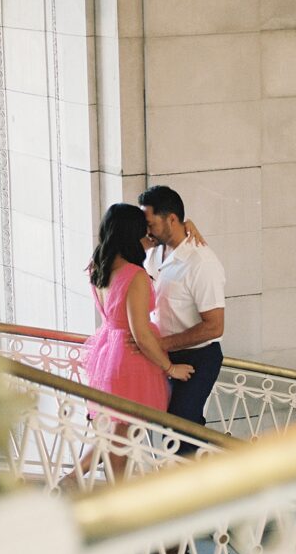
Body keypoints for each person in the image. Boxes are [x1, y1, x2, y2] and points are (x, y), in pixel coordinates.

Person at [72, 203, 194, 483]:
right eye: (144, 231)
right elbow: (140, 333)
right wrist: (169, 368)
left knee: (114, 432)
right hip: (129, 358)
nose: (149, 236)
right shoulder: (134, 276)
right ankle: (110, 494)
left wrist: (185, 229)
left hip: (107, 352)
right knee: (122, 436)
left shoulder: (98, 267)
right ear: (132, 234)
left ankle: (72, 478)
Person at [139, 186, 225, 453]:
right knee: (165, 425)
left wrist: (163, 343)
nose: (147, 231)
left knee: (180, 430)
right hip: (161, 355)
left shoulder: (201, 262)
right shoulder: (152, 252)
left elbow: (215, 326)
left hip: (197, 358)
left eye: (151, 224)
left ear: (171, 219)